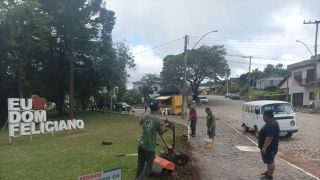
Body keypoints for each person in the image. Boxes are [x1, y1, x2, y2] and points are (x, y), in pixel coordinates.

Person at [136, 100, 168, 180]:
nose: (160, 109)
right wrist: (166, 126)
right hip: (149, 147)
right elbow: (161, 131)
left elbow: (141, 122)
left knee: (140, 164)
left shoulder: (145, 116)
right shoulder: (157, 120)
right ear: (157, 109)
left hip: (141, 144)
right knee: (149, 167)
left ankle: (137, 177)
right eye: (160, 107)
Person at [258, 110, 280, 180]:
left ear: (267, 116)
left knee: (270, 161)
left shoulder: (270, 125)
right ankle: (268, 172)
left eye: (263, 115)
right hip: (271, 147)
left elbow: (269, 137)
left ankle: (270, 175)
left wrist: (264, 147)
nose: (262, 117)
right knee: (269, 160)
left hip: (270, 147)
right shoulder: (272, 122)